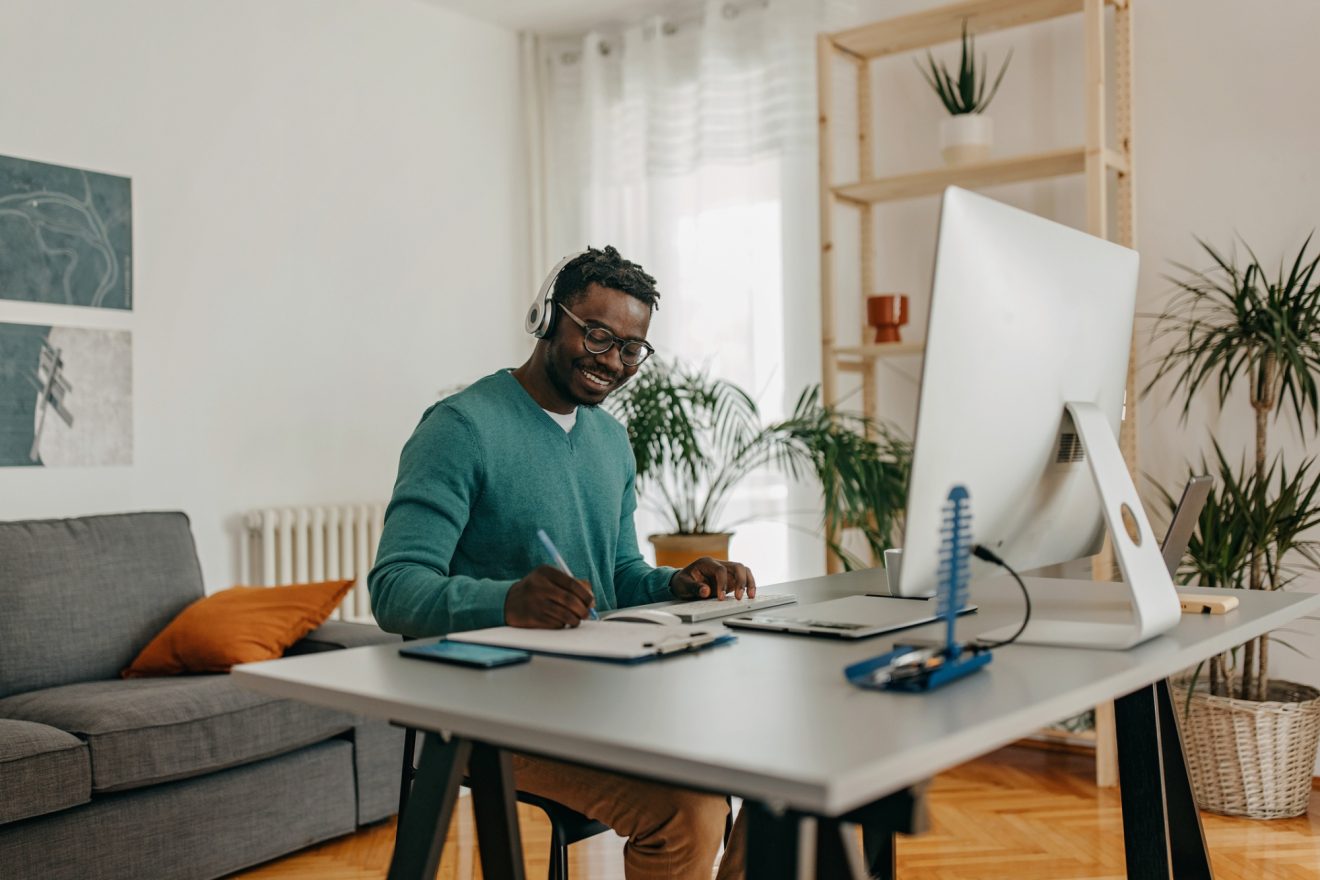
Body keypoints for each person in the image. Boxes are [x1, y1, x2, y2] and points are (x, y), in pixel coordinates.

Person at [368, 245, 754, 879]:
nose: (613, 361)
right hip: (491, 709)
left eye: (631, 349)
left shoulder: (611, 440)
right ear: (548, 318)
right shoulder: (460, 428)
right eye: (597, 336)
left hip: (597, 693)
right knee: (689, 810)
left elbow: (619, 574)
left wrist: (678, 583)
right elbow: (394, 588)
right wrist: (507, 602)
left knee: (777, 772)